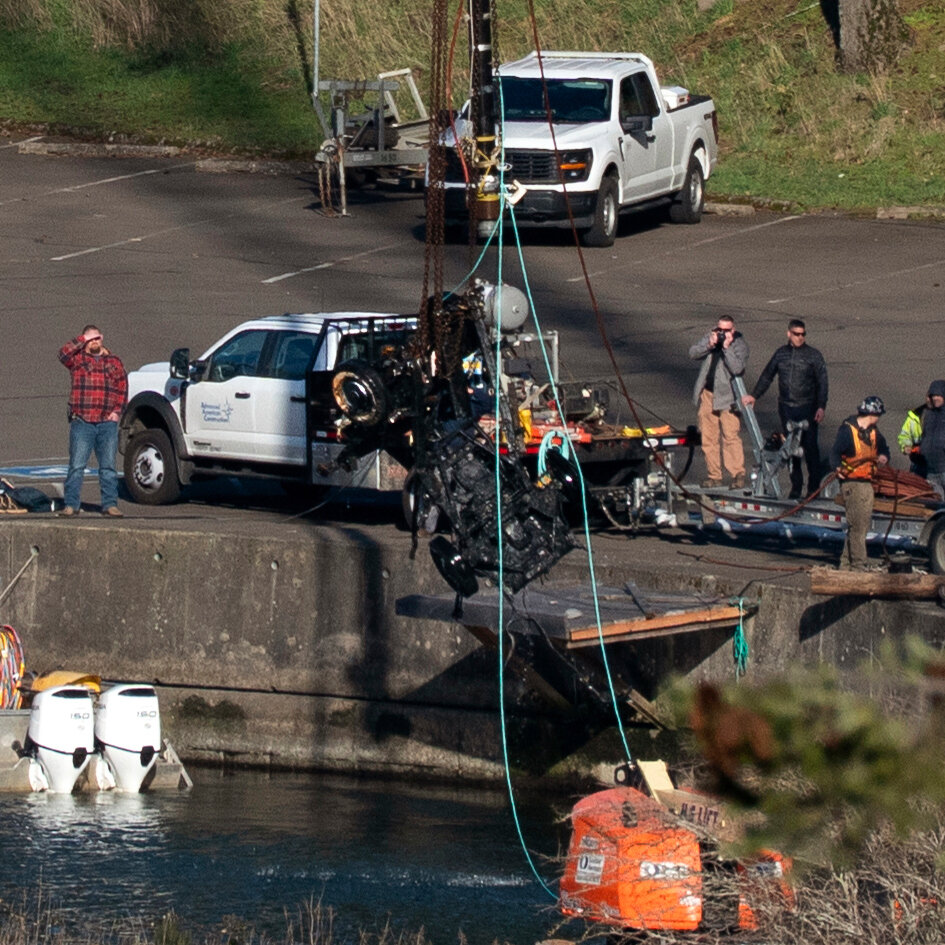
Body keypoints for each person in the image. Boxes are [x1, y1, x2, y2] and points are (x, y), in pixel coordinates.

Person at [741, 318, 828, 499]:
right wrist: (755, 395)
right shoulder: (781, 354)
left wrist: (821, 406)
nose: (800, 337)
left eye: (803, 334)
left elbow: (823, 383)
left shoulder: (813, 355)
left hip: (808, 408)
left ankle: (814, 489)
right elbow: (767, 375)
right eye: (796, 334)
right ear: (789, 334)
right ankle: (796, 487)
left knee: (810, 448)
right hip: (787, 408)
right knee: (791, 449)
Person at [58, 325, 128, 517]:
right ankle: (71, 504)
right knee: (77, 466)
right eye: (91, 339)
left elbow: (122, 386)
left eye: (97, 338)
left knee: (108, 467)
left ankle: (109, 505)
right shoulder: (78, 360)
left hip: (107, 423)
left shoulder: (113, 361)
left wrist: (117, 412)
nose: (95, 342)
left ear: (102, 338)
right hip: (83, 421)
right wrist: (82, 338)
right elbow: (63, 354)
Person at [828, 396, 890, 571]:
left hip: (866, 483)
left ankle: (846, 564)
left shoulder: (874, 432)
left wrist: (884, 456)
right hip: (853, 484)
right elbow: (835, 453)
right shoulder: (848, 431)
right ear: (873, 414)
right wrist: (838, 468)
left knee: (858, 525)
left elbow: (884, 448)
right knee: (859, 527)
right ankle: (858, 565)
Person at [689, 315, 749, 489]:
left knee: (730, 436)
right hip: (708, 394)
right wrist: (710, 344)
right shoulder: (712, 338)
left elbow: (737, 368)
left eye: (726, 330)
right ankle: (714, 475)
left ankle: (737, 474)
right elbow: (692, 353)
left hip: (728, 396)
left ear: (733, 330)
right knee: (708, 437)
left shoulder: (740, 345)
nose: (722, 333)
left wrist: (726, 347)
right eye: (719, 330)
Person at [898, 380, 945, 478]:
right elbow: (904, 435)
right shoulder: (916, 415)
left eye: (934, 396)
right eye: (929, 396)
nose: (930, 399)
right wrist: (906, 446)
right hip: (918, 463)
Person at [917, 380, 945, 499]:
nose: (935, 398)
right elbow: (924, 436)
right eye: (933, 395)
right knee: (937, 504)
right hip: (931, 471)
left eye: (938, 395)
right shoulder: (928, 415)